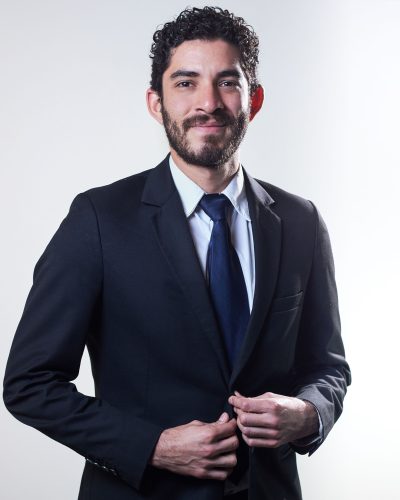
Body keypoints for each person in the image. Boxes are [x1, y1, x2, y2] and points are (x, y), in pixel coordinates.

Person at [3, 6, 351, 500]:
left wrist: (310, 413)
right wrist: (153, 447)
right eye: (186, 83)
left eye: (227, 82)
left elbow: (328, 366)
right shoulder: (99, 219)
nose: (208, 103)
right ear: (156, 102)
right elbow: (29, 383)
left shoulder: (300, 221)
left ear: (253, 99)